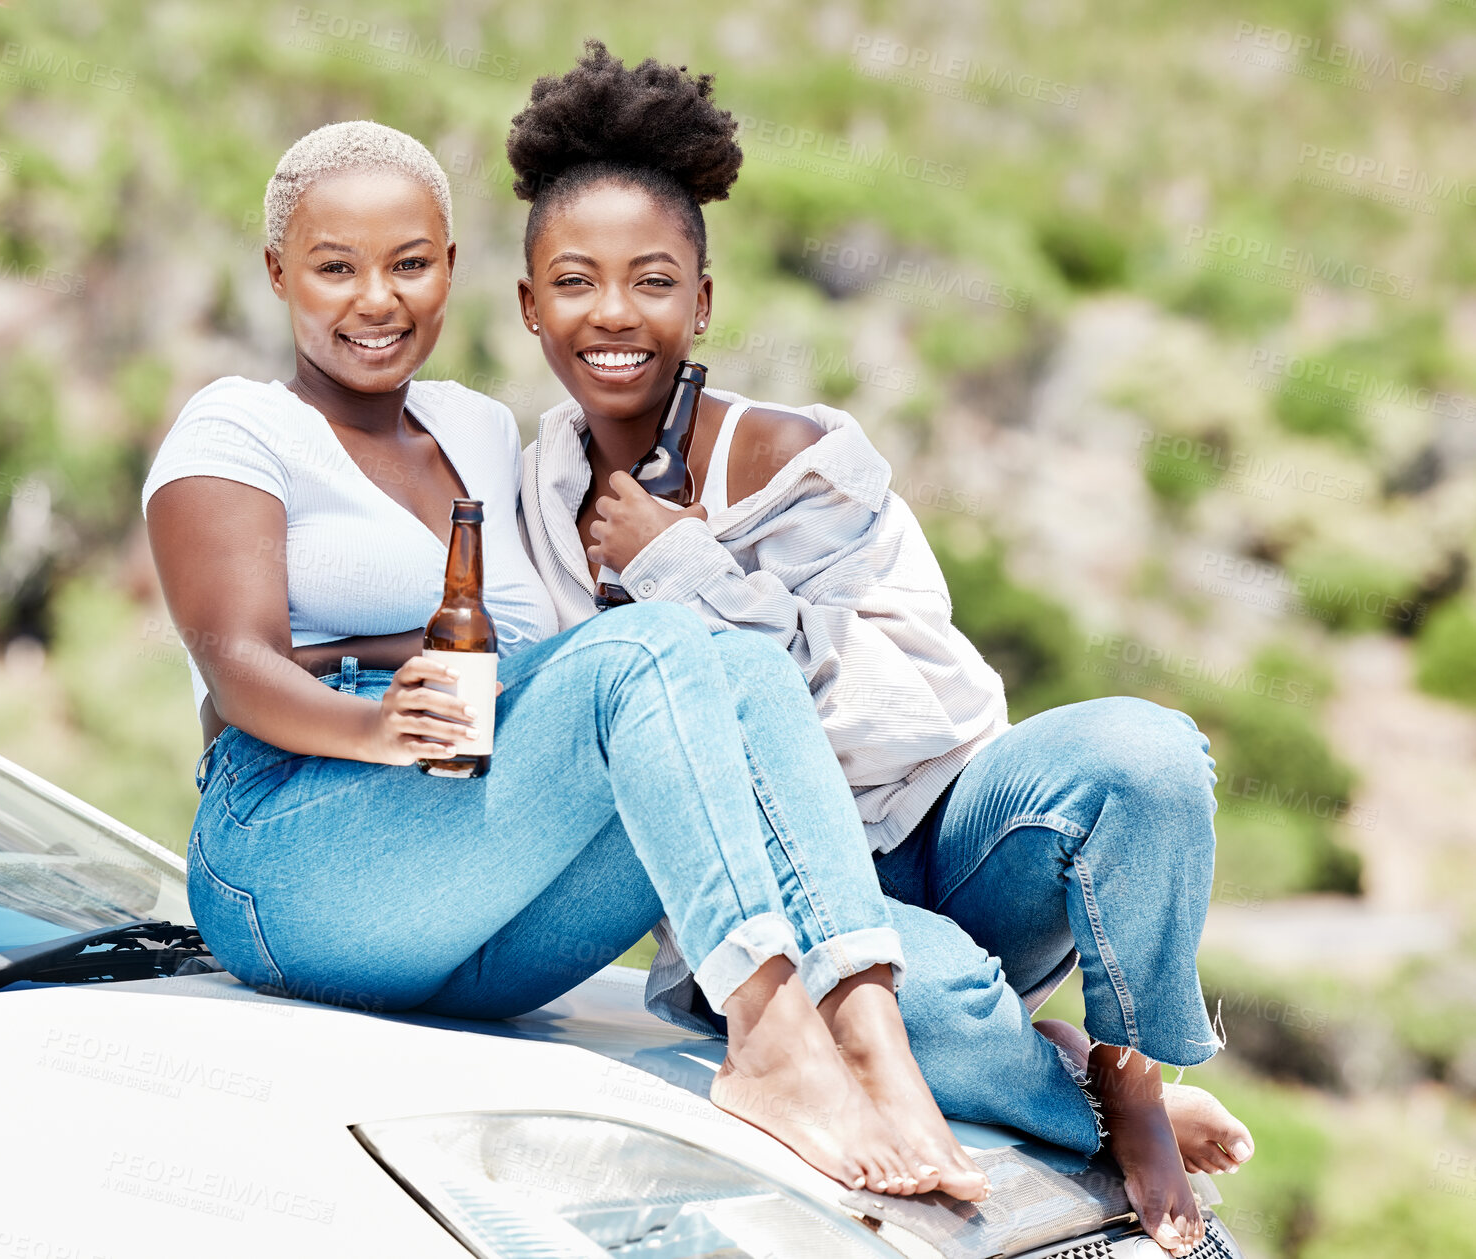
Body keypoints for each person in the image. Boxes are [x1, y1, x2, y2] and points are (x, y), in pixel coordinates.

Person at [143, 120, 995, 1201]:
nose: (376, 299)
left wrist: (384, 648)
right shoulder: (241, 426)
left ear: (451, 270)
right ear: (278, 273)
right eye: (334, 267)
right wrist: (368, 715)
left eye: (409, 264)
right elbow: (237, 664)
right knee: (658, 643)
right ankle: (774, 1042)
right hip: (294, 845)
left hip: (469, 875)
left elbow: (545, 655)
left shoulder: (481, 431)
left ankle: (873, 1039)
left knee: (730, 656)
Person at [512, 44, 1249, 1257]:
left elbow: (784, 695)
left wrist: (668, 558)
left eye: (652, 280)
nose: (613, 315)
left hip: (948, 821)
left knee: (1150, 754)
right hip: (782, 898)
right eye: (575, 281)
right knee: (932, 1016)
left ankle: (1128, 1073)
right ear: (532, 303)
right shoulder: (530, 488)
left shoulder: (810, 457)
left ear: (703, 302)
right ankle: (1068, 1090)